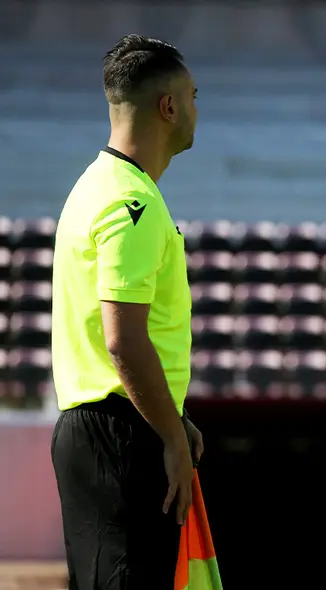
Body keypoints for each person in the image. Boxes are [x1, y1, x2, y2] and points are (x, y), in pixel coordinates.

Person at [49, 34, 203, 590]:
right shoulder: (130, 202)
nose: (196, 109)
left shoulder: (98, 185)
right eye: (192, 97)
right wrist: (172, 437)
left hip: (109, 426)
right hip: (120, 434)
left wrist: (171, 419)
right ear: (169, 106)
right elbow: (123, 339)